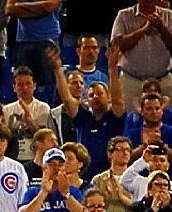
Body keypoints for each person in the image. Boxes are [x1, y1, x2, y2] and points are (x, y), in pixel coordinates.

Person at [49, 44, 126, 181]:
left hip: (111, 177)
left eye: (99, 94)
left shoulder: (115, 117)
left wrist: (112, 68)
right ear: (87, 100)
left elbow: (117, 99)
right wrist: (58, 71)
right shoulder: (83, 118)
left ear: (107, 97)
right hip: (84, 176)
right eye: (91, 95)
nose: (95, 97)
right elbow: (67, 99)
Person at [110, 0, 172, 112]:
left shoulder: (169, 15)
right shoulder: (124, 15)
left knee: (168, 122)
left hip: (162, 81)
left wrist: (160, 27)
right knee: (132, 123)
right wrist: (143, 29)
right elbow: (117, 44)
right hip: (132, 82)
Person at [17, 147, 84, 212]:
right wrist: (43, 192)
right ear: (44, 168)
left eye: (60, 164)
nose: (56, 168)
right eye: (52, 164)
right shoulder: (32, 192)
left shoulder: (73, 191)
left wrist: (66, 194)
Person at [5, 0, 61, 105]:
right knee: (22, 85)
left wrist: (21, 7)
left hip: (48, 41)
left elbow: (49, 7)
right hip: (23, 43)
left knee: (47, 89)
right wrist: (40, 10)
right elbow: (9, 9)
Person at [3, 66, 52, 163]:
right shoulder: (6, 109)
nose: (25, 88)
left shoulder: (43, 108)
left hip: (35, 157)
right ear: (14, 88)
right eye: (20, 84)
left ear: (34, 86)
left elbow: (42, 137)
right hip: (13, 157)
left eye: (28, 84)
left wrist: (29, 118)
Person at [91, 136, 133, 212]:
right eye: (120, 149)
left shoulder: (138, 181)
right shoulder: (98, 180)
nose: (125, 153)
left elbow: (141, 209)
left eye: (128, 150)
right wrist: (105, 196)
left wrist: (121, 197)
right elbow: (91, 207)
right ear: (110, 154)